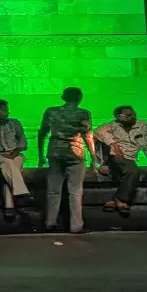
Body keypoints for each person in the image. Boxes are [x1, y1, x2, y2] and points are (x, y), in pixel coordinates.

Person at [38, 87, 95, 233]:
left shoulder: (51, 111)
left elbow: (42, 133)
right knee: (75, 191)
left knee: (53, 190)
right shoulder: (84, 113)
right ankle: (76, 226)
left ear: (63, 97)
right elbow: (87, 136)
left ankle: (50, 223)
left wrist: (40, 155)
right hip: (75, 153)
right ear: (79, 98)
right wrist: (94, 158)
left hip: (55, 151)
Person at [94, 105, 147, 215]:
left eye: (133, 114)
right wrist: (114, 145)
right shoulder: (113, 125)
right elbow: (98, 132)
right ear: (119, 117)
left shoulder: (142, 126)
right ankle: (121, 200)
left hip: (130, 158)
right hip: (116, 156)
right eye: (128, 115)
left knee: (128, 170)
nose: (132, 117)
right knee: (133, 171)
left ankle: (114, 200)